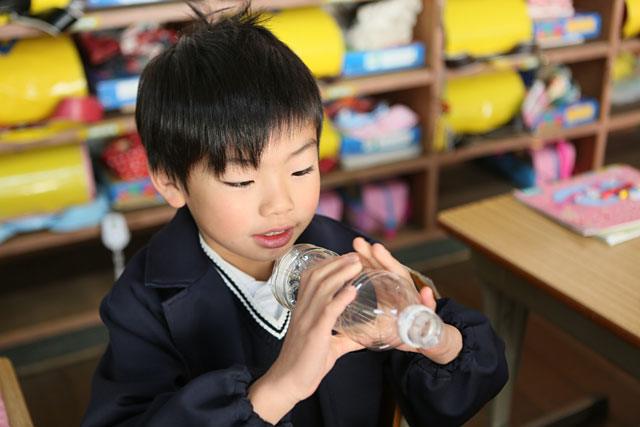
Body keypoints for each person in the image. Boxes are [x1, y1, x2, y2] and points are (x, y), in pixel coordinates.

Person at [82, 7, 508, 427]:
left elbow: (447, 395)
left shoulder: (349, 255)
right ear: (171, 182)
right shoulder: (142, 304)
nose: (280, 205)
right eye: (241, 181)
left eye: (301, 170)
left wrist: (437, 341)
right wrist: (278, 387)